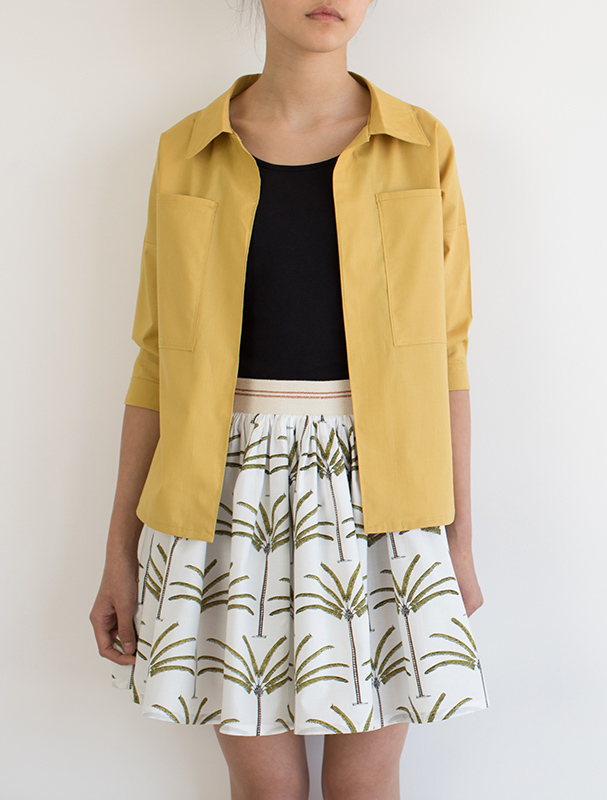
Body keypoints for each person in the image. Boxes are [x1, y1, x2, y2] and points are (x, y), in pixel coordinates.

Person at [89, 1, 489, 797]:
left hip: (384, 496)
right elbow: (157, 362)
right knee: (265, 788)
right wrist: (120, 553)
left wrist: (460, 543)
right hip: (225, 497)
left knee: (364, 781)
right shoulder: (188, 151)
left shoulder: (422, 147)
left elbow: (446, 356)